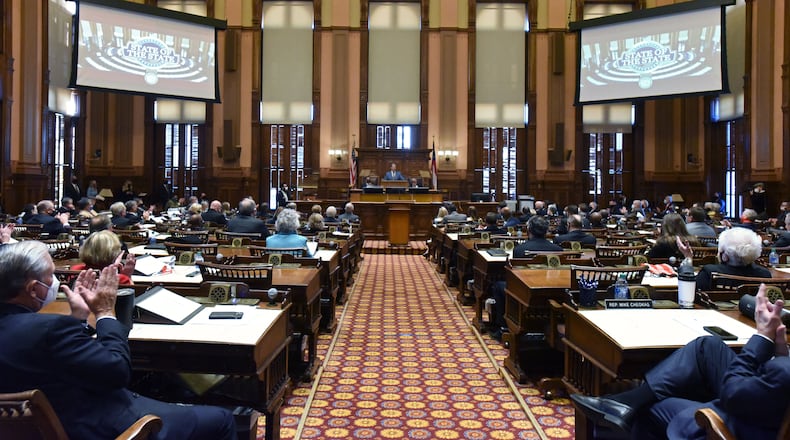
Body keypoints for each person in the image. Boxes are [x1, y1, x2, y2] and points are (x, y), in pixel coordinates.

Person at [0, 241, 237, 439]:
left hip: (38, 427)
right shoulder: (49, 328)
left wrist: (80, 319)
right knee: (222, 419)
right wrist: (105, 314)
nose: (54, 281)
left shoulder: (40, 329)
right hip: (100, 426)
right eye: (51, 275)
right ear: (33, 289)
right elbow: (116, 372)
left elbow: (61, 361)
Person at [571, 284, 790, 439]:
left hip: (750, 424)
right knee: (708, 346)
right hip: (773, 401)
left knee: (656, 406)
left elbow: (733, 391)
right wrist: (780, 351)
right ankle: (626, 402)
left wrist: (761, 338)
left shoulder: (782, 373)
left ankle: (629, 404)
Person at [678, 227, 771, 291]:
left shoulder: (709, 273)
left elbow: (688, 291)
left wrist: (688, 259)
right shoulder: (765, 275)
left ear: (724, 256)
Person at [71, 230, 136, 285]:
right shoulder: (120, 279)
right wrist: (127, 276)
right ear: (113, 254)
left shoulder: (74, 270)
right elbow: (134, 296)